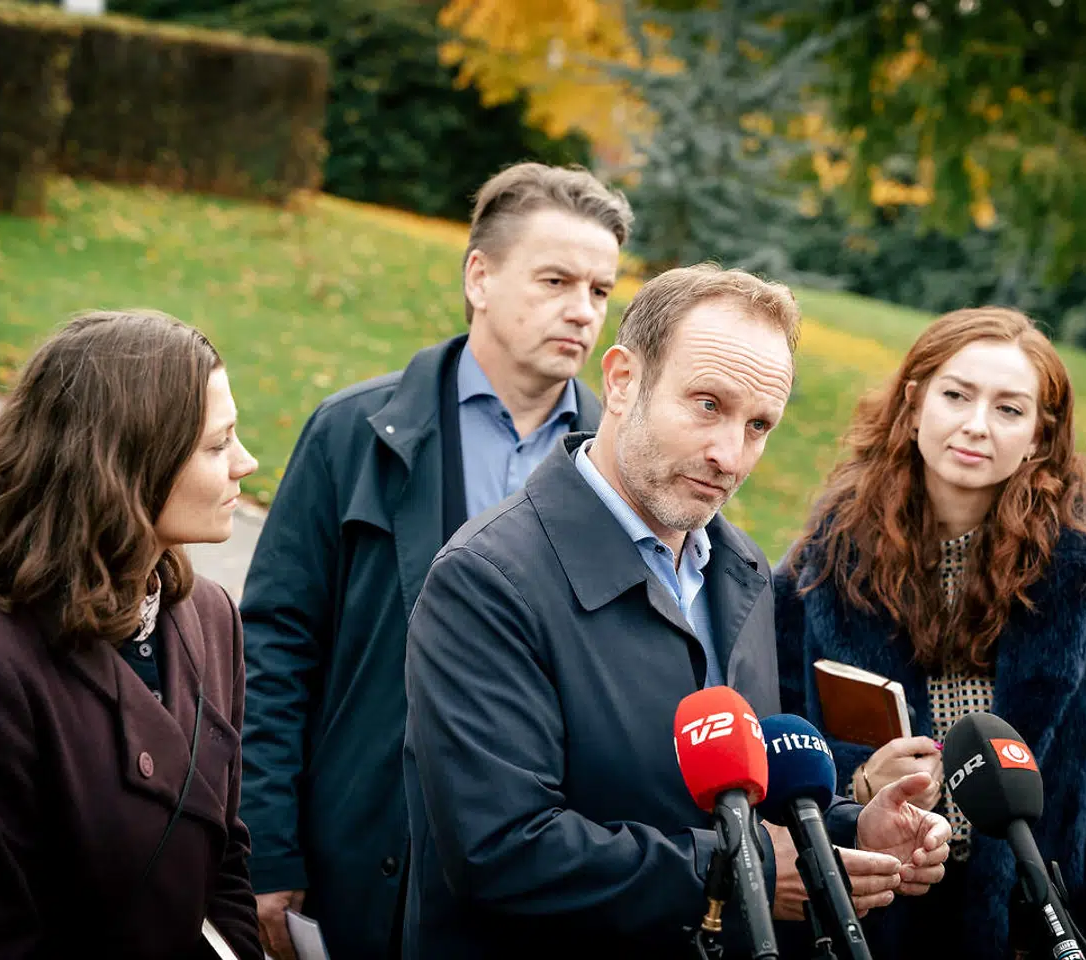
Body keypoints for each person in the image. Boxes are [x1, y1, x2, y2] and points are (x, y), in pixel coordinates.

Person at [402, 264, 952, 960]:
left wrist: (845, 831)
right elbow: (500, 849)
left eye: (758, 425)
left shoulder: (743, 569)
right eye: (706, 405)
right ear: (624, 382)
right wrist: (737, 869)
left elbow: (736, 793)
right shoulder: (485, 580)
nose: (729, 454)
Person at [238, 162, 632, 958]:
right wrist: (266, 847)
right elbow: (275, 649)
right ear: (479, 277)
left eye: (599, 290)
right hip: (357, 855)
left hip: (529, 885)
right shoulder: (354, 434)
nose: (582, 312)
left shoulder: (617, 466)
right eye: (556, 280)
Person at [775, 306, 1086, 959]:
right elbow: (783, 738)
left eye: (1010, 410)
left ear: (1039, 437)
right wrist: (861, 781)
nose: (976, 426)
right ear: (914, 401)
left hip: (1029, 920)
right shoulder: (823, 567)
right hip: (876, 912)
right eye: (956, 395)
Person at [0, 310, 262, 958]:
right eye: (216, 445)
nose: (246, 463)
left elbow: (224, 859)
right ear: (126, 464)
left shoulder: (209, 616)